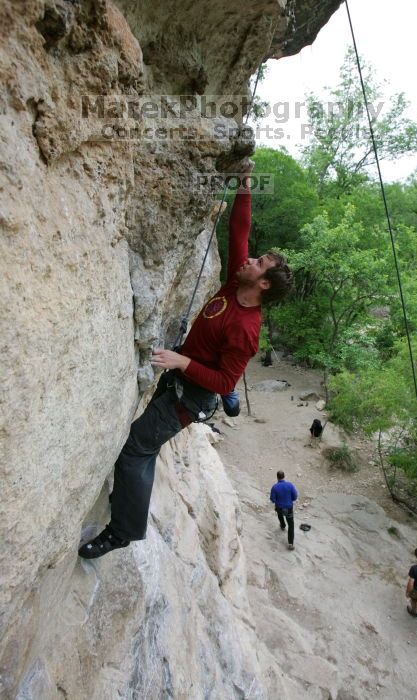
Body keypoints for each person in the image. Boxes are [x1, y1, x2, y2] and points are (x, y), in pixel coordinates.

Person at [79, 161, 293, 559]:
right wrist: (245, 185)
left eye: (259, 263)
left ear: (263, 284)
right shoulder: (235, 283)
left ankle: (122, 531)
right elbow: (238, 231)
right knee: (139, 448)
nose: (249, 259)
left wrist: (181, 363)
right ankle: (125, 509)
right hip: (178, 381)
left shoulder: (246, 328)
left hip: (188, 398)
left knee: (136, 450)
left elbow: (226, 383)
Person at [270, 470, 298, 550]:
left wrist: (278, 501)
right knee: (291, 525)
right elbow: (295, 496)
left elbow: (272, 499)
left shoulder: (274, 487)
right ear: (284, 476)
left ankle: (282, 526)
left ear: (277, 477)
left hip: (279, 507)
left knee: (280, 515)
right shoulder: (290, 485)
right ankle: (290, 543)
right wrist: (289, 500)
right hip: (289, 508)